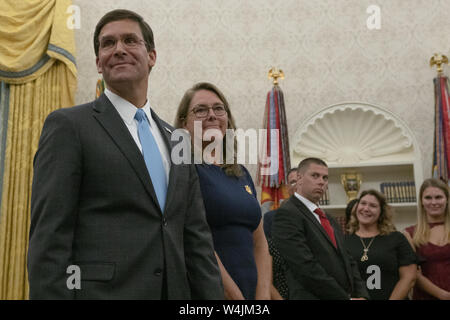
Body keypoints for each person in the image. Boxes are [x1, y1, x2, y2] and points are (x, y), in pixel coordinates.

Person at [27, 9, 223, 300]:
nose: (119, 49)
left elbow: (197, 241)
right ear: (98, 63)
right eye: (108, 44)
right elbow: (49, 239)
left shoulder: (178, 140)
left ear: (152, 56)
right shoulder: (69, 126)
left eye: (130, 40)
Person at [174, 82, 271, 300]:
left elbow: (260, 242)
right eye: (200, 110)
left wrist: (263, 296)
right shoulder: (182, 169)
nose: (212, 115)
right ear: (184, 124)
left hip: (252, 292)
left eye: (219, 108)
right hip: (209, 292)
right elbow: (191, 240)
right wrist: (234, 296)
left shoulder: (241, 173)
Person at [272, 157, 369, 300]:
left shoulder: (329, 219)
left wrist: (362, 295)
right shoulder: (287, 213)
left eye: (325, 178)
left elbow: (348, 260)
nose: (321, 181)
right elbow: (304, 266)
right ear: (299, 178)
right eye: (315, 176)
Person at [345, 189, 417, 300]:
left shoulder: (397, 238)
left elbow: (409, 277)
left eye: (373, 206)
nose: (366, 209)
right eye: (363, 203)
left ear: (381, 212)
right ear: (356, 208)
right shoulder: (343, 241)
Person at [404, 178, 450, 300]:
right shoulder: (409, 234)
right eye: (428, 198)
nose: (433, 202)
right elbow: (414, 274)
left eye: (439, 197)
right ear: (421, 202)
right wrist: (444, 295)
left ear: (447, 200)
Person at [263, 168, 298, 299]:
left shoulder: (319, 217)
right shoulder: (271, 218)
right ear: (287, 187)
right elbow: (266, 257)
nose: (296, 186)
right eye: (292, 182)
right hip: (280, 287)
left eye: (299, 181)